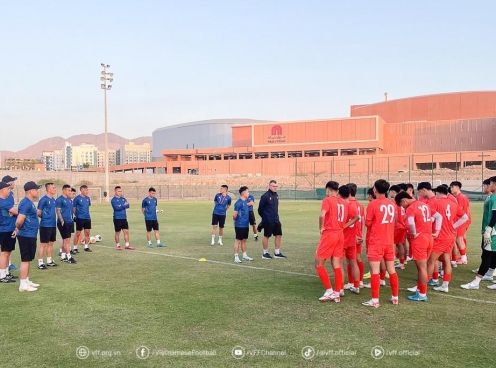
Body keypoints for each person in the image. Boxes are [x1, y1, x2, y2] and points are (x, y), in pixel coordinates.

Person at [362, 179, 399, 308]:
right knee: (392, 270)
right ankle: (395, 297)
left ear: (375, 190)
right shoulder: (392, 204)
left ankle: (375, 300)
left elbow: (368, 223)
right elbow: (395, 221)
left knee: (375, 271)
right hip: (389, 241)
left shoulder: (373, 204)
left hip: (376, 241)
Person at [395, 191, 437, 301]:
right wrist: (436, 231)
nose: (403, 208)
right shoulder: (424, 205)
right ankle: (420, 290)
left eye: (401, 205)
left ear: (403, 200)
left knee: (421, 268)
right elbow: (438, 216)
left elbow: (411, 222)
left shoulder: (411, 208)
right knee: (424, 266)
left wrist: (413, 233)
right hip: (429, 237)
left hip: (420, 239)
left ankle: (422, 294)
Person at [426, 185, 468, 292]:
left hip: (440, 236)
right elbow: (465, 217)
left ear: (438, 193)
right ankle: (445, 285)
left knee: (431, 261)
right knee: (446, 260)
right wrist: (454, 226)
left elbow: (431, 218)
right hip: (450, 235)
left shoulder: (435, 203)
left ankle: (421, 286)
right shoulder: (453, 204)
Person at [315, 181, 348, 303]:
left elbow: (322, 215)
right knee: (336, 264)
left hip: (330, 234)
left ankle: (329, 291)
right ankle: (337, 292)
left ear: (328, 190)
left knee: (318, 263)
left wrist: (321, 227)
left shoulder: (327, 200)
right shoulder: (344, 203)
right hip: (340, 234)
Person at [462, 176, 496, 290]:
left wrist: (489, 229)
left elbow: (495, 215)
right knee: (489, 255)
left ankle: (476, 282)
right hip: (492, 231)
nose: (489, 186)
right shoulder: (492, 197)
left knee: (487, 255)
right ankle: (487, 276)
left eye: (490, 184)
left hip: (493, 232)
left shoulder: (495, 197)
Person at [13, 181, 42, 292]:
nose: (37, 191)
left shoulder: (29, 202)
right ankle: (23, 285)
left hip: (30, 234)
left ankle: (26, 280)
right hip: (26, 234)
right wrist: (19, 228)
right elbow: (19, 220)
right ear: (30, 191)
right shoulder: (26, 203)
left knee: (28, 259)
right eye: (36, 189)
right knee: (25, 259)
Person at [258, 180, 286, 259]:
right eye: (274, 186)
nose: (275, 188)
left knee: (279, 235)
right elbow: (260, 209)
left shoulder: (276, 195)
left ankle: (277, 253)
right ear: (269, 186)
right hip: (268, 220)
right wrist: (265, 217)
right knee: (267, 236)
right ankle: (265, 253)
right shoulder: (265, 196)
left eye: (276, 186)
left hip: (276, 219)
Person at [340, 185, 359, 294]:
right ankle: (356, 286)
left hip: (342, 239)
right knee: (353, 262)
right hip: (352, 239)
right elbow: (357, 218)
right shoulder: (354, 206)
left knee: (340, 264)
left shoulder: (342, 206)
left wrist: (343, 226)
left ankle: (341, 288)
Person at [347, 183, 365, 288]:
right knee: (357, 258)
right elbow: (363, 221)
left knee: (351, 259)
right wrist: (361, 235)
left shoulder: (347, 204)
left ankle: (351, 282)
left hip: (350, 235)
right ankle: (360, 281)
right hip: (358, 235)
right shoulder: (360, 205)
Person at [37, 182, 58, 269]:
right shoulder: (43, 200)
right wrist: (45, 218)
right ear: (48, 189)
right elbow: (38, 212)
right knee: (43, 244)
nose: (55, 189)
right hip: (45, 225)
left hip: (53, 225)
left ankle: (49, 260)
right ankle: (40, 262)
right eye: (53, 188)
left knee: (51, 243)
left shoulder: (53, 200)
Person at [0, 181, 18, 283]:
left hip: (9, 229)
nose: (9, 190)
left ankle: (6, 273)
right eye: (7, 189)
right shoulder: (3, 202)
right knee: (5, 253)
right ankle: (2, 275)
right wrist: (14, 212)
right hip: (5, 230)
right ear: (1, 190)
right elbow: (17, 212)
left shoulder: (5, 201)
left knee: (7, 252)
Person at [450, 181, 471, 265]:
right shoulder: (458, 197)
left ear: (458, 188)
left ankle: (463, 258)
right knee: (460, 239)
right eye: (451, 187)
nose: (451, 189)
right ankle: (462, 256)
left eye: (453, 187)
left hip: (461, 221)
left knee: (459, 239)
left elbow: (460, 211)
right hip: (460, 221)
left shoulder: (461, 197)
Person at [233, 186, 254, 263]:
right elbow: (234, 214)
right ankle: (236, 257)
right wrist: (235, 221)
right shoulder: (238, 203)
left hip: (245, 224)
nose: (249, 193)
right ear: (244, 193)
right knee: (238, 240)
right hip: (240, 225)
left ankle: (244, 256)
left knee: (244, 240)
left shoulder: (245, 201)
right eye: (248, 192)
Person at [56, 185, 76, 264]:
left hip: (69, 221)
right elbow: (58, 211)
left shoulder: (69, 200)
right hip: (63, 223)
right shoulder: (59, 199)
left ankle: (63, 256)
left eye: (70, 190)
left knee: (66, 240)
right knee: (66, 240)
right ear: (63, 190)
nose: (70, 192)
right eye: (68, 190)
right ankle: (69, 257)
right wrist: (61, 220)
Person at [389, 185, 407, 270]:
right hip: (403, 225)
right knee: (401, 244)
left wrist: (394, 224)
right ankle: (402, 262)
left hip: (397, 226)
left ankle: (396, 262)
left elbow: (395, 214)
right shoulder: (402, 200)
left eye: (390, 192)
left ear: (393, 192)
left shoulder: (394, 201)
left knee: (396, 244)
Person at [111, 186, 135, 250]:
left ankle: (127, 245)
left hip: (124, 218)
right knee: (117, 232)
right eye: (119, 191)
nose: (120, 192)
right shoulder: (113, 200)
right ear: (115, 191)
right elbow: (116, 208)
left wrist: (121, 206)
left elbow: (128, 205)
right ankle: (118, 245)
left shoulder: (123, 199)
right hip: (117, 218)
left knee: (126, 231)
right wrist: (123, 206)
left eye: (121, 191)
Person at [73, 185, 93, 253]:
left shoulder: (88, 198)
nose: (87, 191)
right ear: (81, 190)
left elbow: (87, 206)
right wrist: (77, 215)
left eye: (87, 190)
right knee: (78, 233)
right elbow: (74, 208)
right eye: (85, 190)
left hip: (87, 218)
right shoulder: (77, 198)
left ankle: (86, 247)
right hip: (80, 218)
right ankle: (75, 248)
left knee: (87, 233)